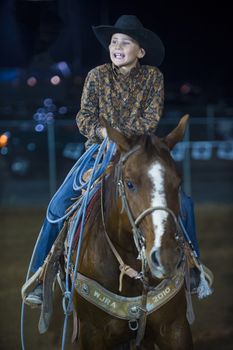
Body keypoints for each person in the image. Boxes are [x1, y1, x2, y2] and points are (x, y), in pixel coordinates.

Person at [24, 15, 212, 306]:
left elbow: (151, 117)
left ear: (141, 51)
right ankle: (39, 274)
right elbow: (83, 115)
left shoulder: (153, 77)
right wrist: (101, 131)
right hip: (99, 150)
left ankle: (193, 266)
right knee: (59, 204)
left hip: (138, 151)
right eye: (114, 41)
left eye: (125, 41)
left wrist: (123, 138)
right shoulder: (97, 75)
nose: (117, 46)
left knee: (183, 203)